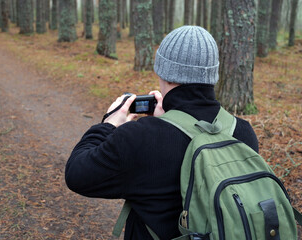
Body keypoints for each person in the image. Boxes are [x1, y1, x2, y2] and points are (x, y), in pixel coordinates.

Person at [65, 26, 259, 239]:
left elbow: (77, 174)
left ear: (163, 72)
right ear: (212, 75)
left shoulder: (140, 137)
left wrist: (108, 125)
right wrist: (165, 122)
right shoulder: (243, 132)